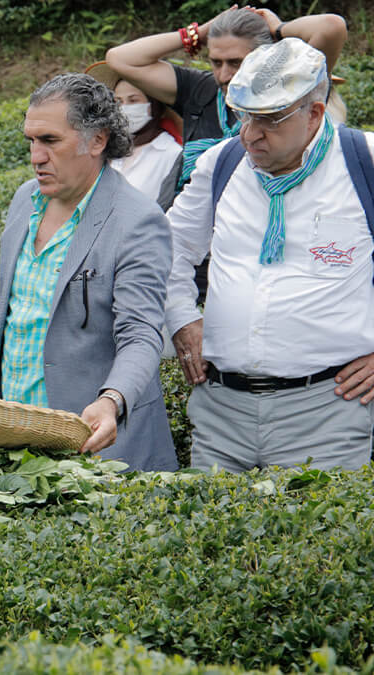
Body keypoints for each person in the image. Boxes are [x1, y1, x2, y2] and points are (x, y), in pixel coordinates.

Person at [165, 38, 374, 472]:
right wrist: (182, 317)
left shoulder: (363, 159)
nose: (249, 135)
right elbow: (166, 250)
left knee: (318, 539)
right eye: (243, 117)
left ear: (314, 114)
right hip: (221, 410)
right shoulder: (222, 162)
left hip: (330, 408)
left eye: (269, 121)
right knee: (211, 536)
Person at [0, 73, 178, 472]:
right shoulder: (25, 201)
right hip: (14, 442)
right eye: (31, 141)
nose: (36, 156)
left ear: (97, 140)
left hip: (94, 447)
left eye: (50, 141)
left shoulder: (138, 221)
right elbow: (8, 317)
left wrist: (111, 400)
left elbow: (140, 334)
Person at [106, 6, 347, 210]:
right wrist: (197, 33)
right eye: (216, 62)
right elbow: (120, 58)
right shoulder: (201, 89)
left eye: (236, 63)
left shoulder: (290, 90)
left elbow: (331, 27)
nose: (224, 75)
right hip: (193, 238)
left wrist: (278, 30)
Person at [86, 61, 183, 205]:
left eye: (133, 100)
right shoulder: (105, 150)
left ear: (154, 105)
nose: (124, 109)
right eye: (118, 102)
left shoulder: (171, 154)